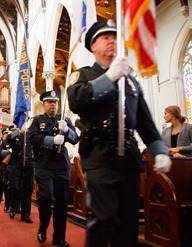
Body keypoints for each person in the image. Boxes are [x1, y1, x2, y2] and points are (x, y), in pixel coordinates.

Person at [66, 20, 172, 247]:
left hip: (129, 158)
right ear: (93, 46)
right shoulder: (84, 75)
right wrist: (109, 78)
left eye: (115, 37)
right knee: (104, 219)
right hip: (99, 154)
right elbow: (77, 100)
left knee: (127, 225)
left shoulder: (131, 82)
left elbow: (145, 122)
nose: (112, 41)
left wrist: (159, 150)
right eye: (105, 37)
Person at [28, 90, 79, 247]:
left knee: (62, 204)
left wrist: (67, 130)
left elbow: (76, 138)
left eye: (55, 102)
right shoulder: (37, 120)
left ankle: (59, 237)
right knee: (46, 197)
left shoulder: (64, 119)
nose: (53, 104)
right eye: (50, 102)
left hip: (62, 166)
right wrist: (51, 140)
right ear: (43, 104)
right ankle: (43, 226)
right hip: (44, 165)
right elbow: (32, 138)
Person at [5, 126, 34, 224]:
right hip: (16, 164)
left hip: (29, 164)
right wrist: (18, 131)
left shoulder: (32, 135)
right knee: (14, 187)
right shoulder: (15, 134)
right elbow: (8, 139)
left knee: (27, 190)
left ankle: (25, 214)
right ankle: (13, 207)